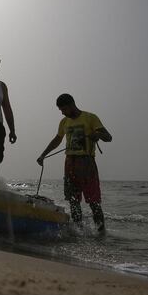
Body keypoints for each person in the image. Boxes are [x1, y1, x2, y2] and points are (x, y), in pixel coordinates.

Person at [37, 93, 112, 232]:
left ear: (72, 105)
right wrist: (43, 155)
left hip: (87, 163)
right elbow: (57, 140)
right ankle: (78, 232)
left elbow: (108, 137)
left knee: (94, 202)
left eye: (64, 109)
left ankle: (101, 233)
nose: (62, 112)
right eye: (60, 110)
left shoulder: (90, 118)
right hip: (70, 163)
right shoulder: (64, 122)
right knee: (73, 201)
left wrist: (98, 135)